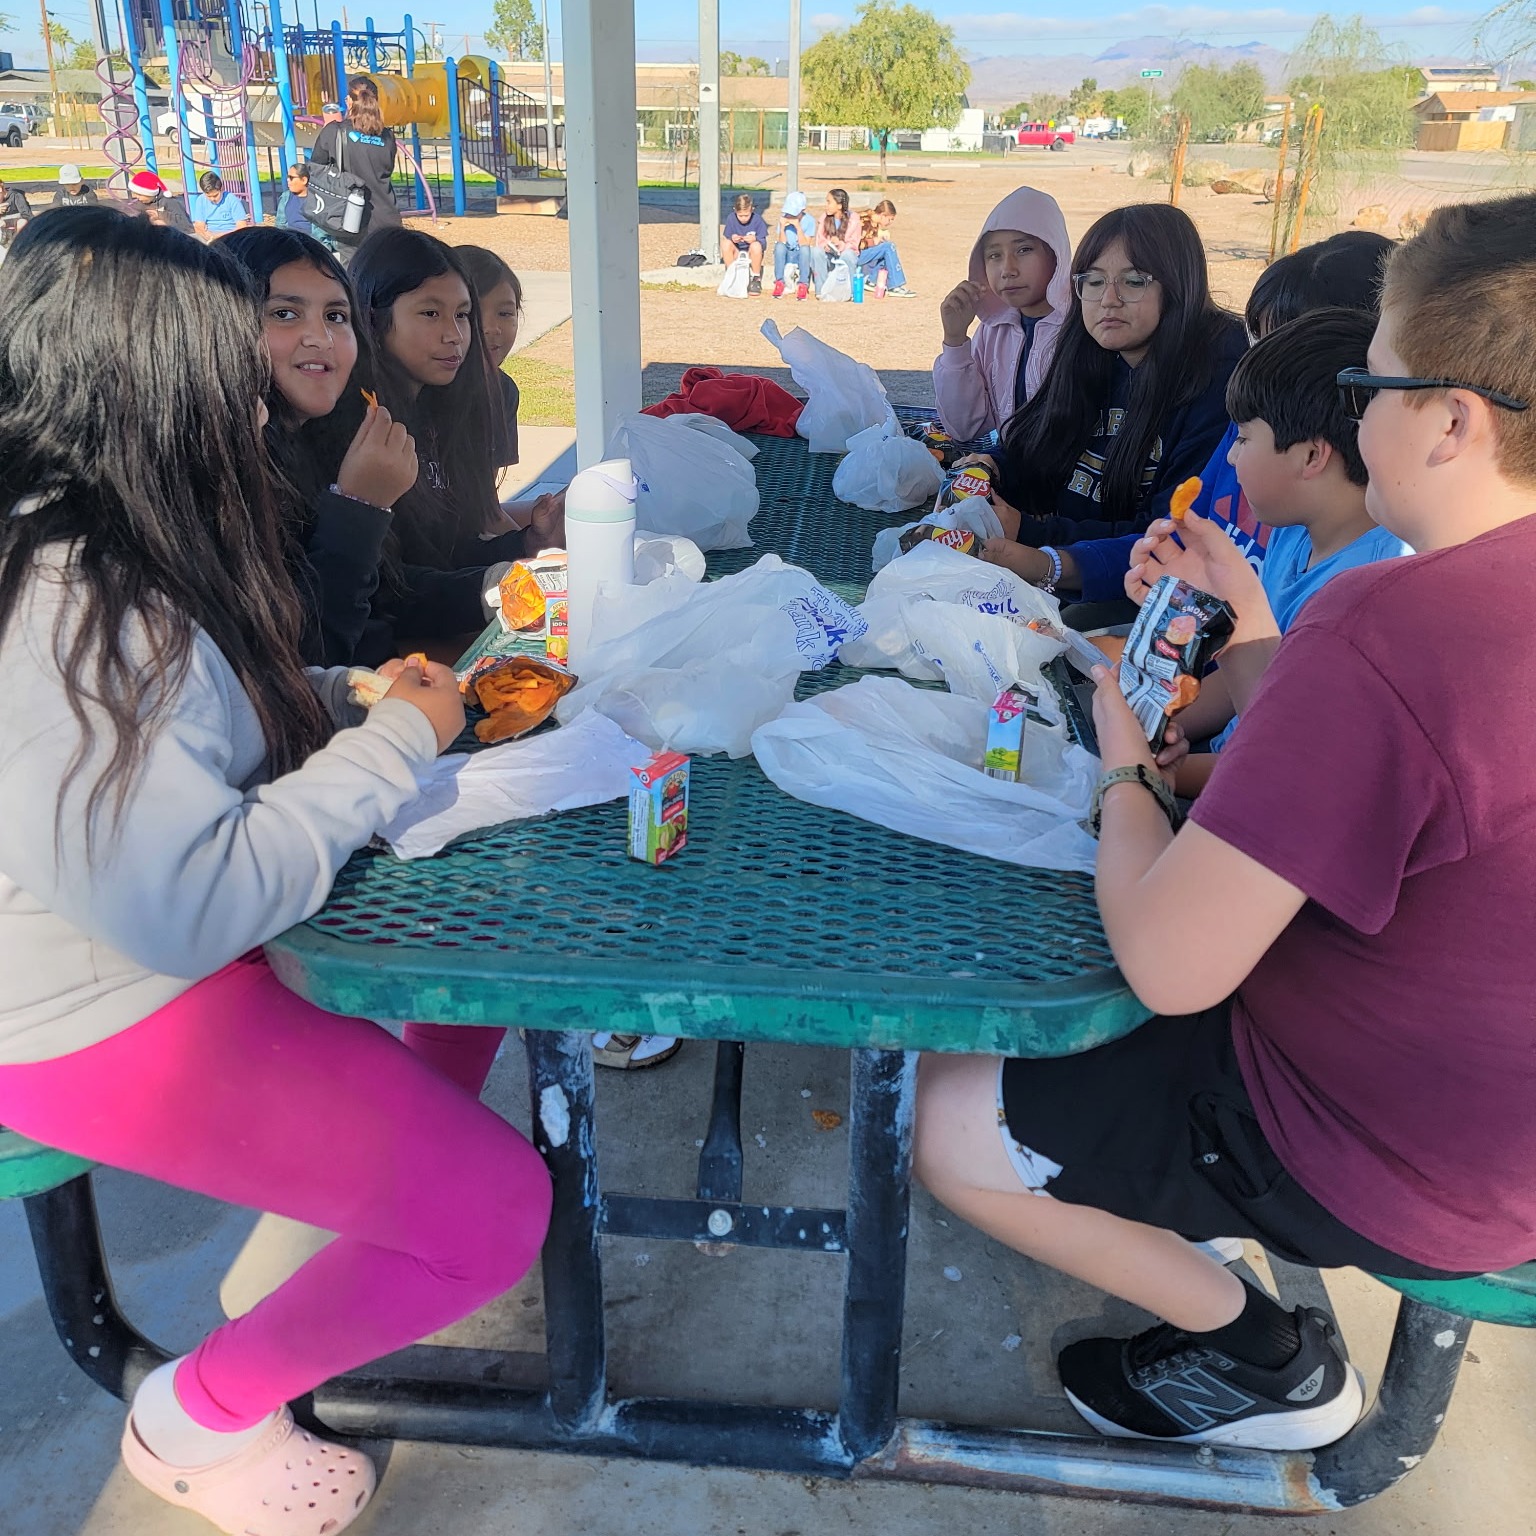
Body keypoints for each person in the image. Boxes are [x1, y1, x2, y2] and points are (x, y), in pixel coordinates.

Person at [914, 191, 1536, 1452]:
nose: (1356, 414)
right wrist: (1250, 624)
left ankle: (1265, 1361)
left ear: (1455, 420)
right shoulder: (1409, 621)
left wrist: (1125, 766)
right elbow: (1378, 759)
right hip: (1497, 1131)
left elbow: (1170, 959)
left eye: (1375, 382)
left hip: (1402, 1156)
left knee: (948, 1118)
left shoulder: (1397, 622)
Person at [0, 206, 551, 1533]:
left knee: (475, 950)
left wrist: (354, 703)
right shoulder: (68, 599)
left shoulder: (114, 532)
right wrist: (387, 750)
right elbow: (185, 902)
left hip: (145, 951)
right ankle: (193, 1415)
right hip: (91, 1009)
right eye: (229, 375)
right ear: (143, 392)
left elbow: (207, 716)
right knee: (493, 1218)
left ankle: (375, 1172)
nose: (255, 411)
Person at [1130, 307, 1411, 796]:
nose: (1232, 456)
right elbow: (1239, 688)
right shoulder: (1291, 534)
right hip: (1225, 767)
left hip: (1256, 800)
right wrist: (1147, 722)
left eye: (1242, 437)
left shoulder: (1366, 590)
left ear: (1310, 456)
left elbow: (1288, 767)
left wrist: (1151, 775)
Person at [1043, 229, 1397, 609]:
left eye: (1285, 350)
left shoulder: (1352, 554)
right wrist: (1051, 562)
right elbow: (1180, 539)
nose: (1256, 366)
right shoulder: (1247, 433)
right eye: (1257, 341)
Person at [977, 204, 1246, 627]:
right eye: (1094, 281)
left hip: (1142, 597)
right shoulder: (1092, 352)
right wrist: (992, 468)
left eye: (1134, 281)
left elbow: (1170, 534)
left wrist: (1038, 546)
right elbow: (1040, 446)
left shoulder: (1218, 382)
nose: (1109, 300)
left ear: (1178, 287)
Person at [222, 225, 417, 668]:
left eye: (335, 316)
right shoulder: (222, 473)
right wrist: (360, 506)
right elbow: (306, 654)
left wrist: (497, 581)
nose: (321, 338)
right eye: (285, 314)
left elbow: (385, 593)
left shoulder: (327, 438)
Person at [934, 186, 1073, 438]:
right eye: (994, 255)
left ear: (1056, 253)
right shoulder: (992, 331)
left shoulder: (1082, 327)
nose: (1008, 269)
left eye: (1024, 250)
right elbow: (965, 428)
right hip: (1008, 469)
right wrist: (954, 341)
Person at [311, 75, 402, 245]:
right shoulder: (388, 136)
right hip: (388, 220)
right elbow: (387, 169)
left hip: (351, 219)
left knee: (353, 270)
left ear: (349, 102)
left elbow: (316, 169)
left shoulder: (334, 132)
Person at [854, 198, 915, 298]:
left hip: (860, 254)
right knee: (889, 247)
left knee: (886, 252)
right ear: (882, 215)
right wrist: (876, 241)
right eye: (890, 219)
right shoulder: (865, 220)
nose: (890, 222)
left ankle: (872, 280)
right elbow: (860, 243)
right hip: (856, 254)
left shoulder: (871, 220)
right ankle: (895, 285)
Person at [276, 159, 338, 252]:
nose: (288, 181)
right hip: (290, 242)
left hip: (314, 245)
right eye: (287, 177)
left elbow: (323, 232)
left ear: (304, 180)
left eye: (291, 177)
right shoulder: (286, 197)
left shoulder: (318, 199)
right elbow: (280, 225)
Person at [810, 186, 858, 295]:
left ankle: (851, 292)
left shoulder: (853, 219)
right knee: (816, 251)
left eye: (829, 202)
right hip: (829, 256)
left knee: (848, 254)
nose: (826, 206)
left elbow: (854, 244)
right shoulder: (824, 218)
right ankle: (820, 291)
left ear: (839, 206)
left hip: (845, 255)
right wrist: (827, 245)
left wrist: (840, 244)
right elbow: (819, 241)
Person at [772, 189, 818, 298]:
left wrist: (798, 227)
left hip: (800, 253)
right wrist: (782, 227)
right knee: (779, 247)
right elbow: (781, 241)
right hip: (787, 251)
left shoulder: (810, 221)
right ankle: (779, 282)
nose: (790, 215)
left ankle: (803, 284)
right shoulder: (783, 219)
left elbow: (805, 244)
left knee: (805, 249)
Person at [720, 191, 768, 295]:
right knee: (725, 243)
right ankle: (731, 275)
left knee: (756, 246)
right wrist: (733, 238)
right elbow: (727, 236)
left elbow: (763, 244)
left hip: (751, 253)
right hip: (737, 251)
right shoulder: (731, 219)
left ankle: (755, 279)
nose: (743, 218)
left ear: (752, 210)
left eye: (746, 215)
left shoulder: (758, 220)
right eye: (740, 215)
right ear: (735, 211)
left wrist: (755, 239)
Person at [189, 169, 251, 240]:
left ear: (222, 189)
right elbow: (199, 225)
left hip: (230, 236)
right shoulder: (201, 200)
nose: (212, 199)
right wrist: (206, 235)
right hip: (209, 236)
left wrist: (219, 236)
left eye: (215, 195)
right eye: (209, 196)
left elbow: (242, 227)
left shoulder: (232, 200)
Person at [124, 168, 192, 233]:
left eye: (140, 194)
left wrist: (164, 224)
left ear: (150, 193)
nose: (137, 198)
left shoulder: (170, 203)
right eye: (135, 194)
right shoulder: (144, 202)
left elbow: (186, 227)